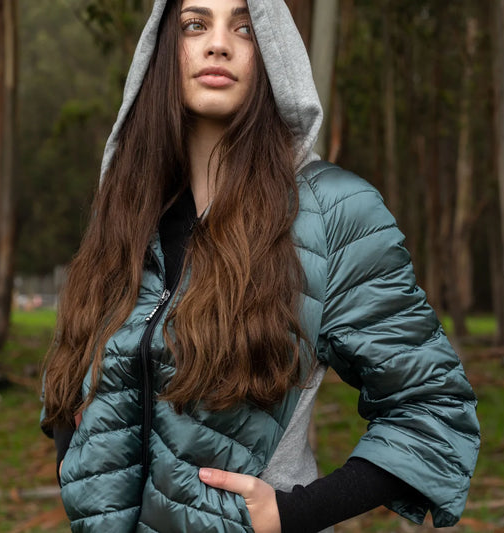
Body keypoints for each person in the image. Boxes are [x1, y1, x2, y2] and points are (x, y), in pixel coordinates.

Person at [40, 0, 481, 531]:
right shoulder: (128, 209)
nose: (218, 44)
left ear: (274, 50)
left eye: (244, 28)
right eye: (195, 25)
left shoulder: (332, 212)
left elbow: (433, 408)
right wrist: (74, 455)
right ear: (161, 51)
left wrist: (293, 514)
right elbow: (73, 365)